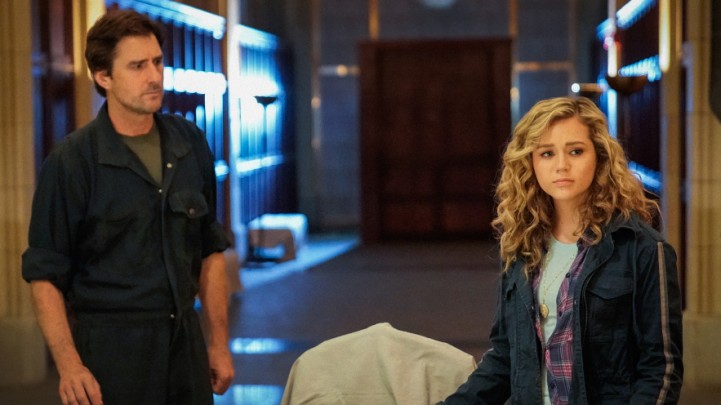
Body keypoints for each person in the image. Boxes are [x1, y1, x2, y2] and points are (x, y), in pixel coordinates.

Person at [22, 9, 234, 405]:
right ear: (103, 77)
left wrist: (219, 342)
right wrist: (69, 366)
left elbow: (210, 250)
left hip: (184, 346)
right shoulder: (73, 162)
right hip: (112, 353)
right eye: (137, 66)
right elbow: (45, 274)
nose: (154, 76)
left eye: (157, 62)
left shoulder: (189, 143)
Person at [440, 96, 683, 404]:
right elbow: (504, 358)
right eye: (547, 153)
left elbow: (661, 371)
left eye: (576, 151)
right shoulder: (521, 246)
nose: (561, 165)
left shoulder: (643, 249)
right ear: (531, 162)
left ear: (600, 157)